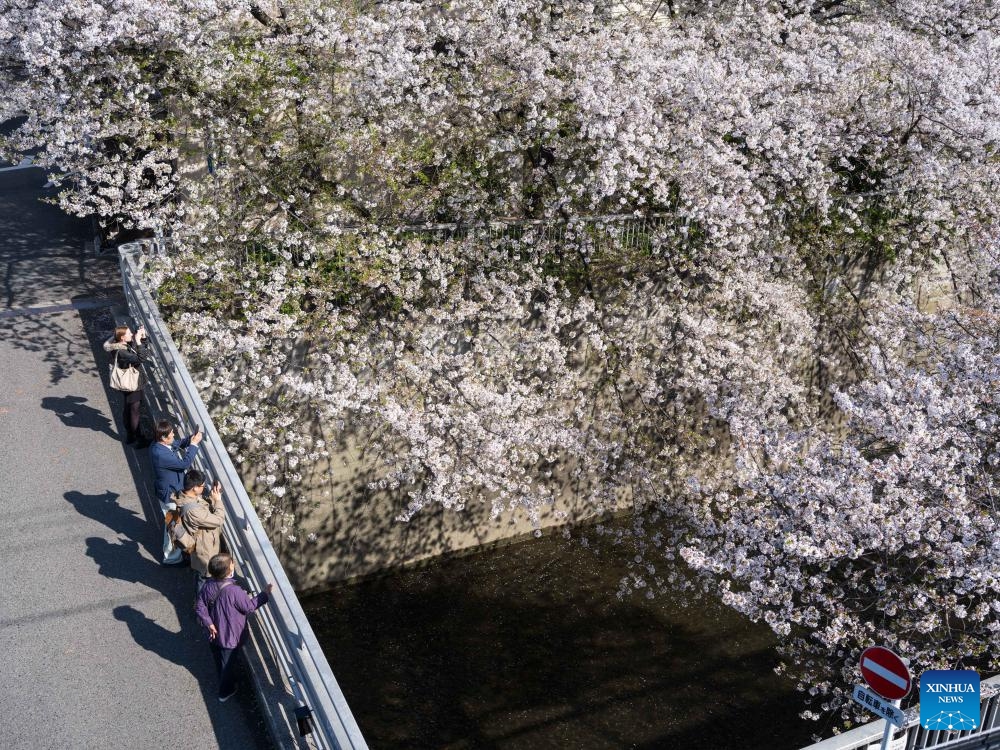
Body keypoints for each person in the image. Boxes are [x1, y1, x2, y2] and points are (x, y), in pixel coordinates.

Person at [195, 553, 272, 702]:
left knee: (219, 659)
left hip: (213, 634)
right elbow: (249, 607)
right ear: (228, 570)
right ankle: (225, 692)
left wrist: (208, 623)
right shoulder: (234, 591)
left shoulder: (208, 584)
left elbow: (200, 605)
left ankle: (224, 678)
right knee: (227, 666)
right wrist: (265, 594)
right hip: (229, 637)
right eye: (232, 563)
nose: (233, 564)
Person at [149, 419, 203, 565]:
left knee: (174, 524)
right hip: (170, 495)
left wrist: (191, 438)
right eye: (171, 434)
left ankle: (176, 553)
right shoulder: (160, 454)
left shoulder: (159, 445)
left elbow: (177, 444)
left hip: (169, 491)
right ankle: (171, 558)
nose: (174, 435)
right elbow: (184, 464)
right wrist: (194, 445)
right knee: (173, 526)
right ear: (163, 437)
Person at [103, 324, 151, 446]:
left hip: (127, 382)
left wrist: (143, 338)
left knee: (128, 408)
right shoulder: (121, 352)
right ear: (122, 338)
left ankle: (130, 436)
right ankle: (139, 439)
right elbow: (141, 358)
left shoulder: (121, 345)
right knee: (134, 411)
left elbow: (142, 350)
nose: (132, 334)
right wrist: (139, 341)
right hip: (131, 383)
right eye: (129, 333)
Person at [177, 468, 226, 585]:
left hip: (204, 543)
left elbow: (203, 507)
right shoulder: (193, 511)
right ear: (195, 488)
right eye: (203, 486)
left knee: (203, 575)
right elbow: (218, 520)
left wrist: (213, 495)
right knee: (204, 577)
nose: (204, 488)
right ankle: (201, 597)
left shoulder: (187, 496)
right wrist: (218, 501)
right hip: (204, 548)